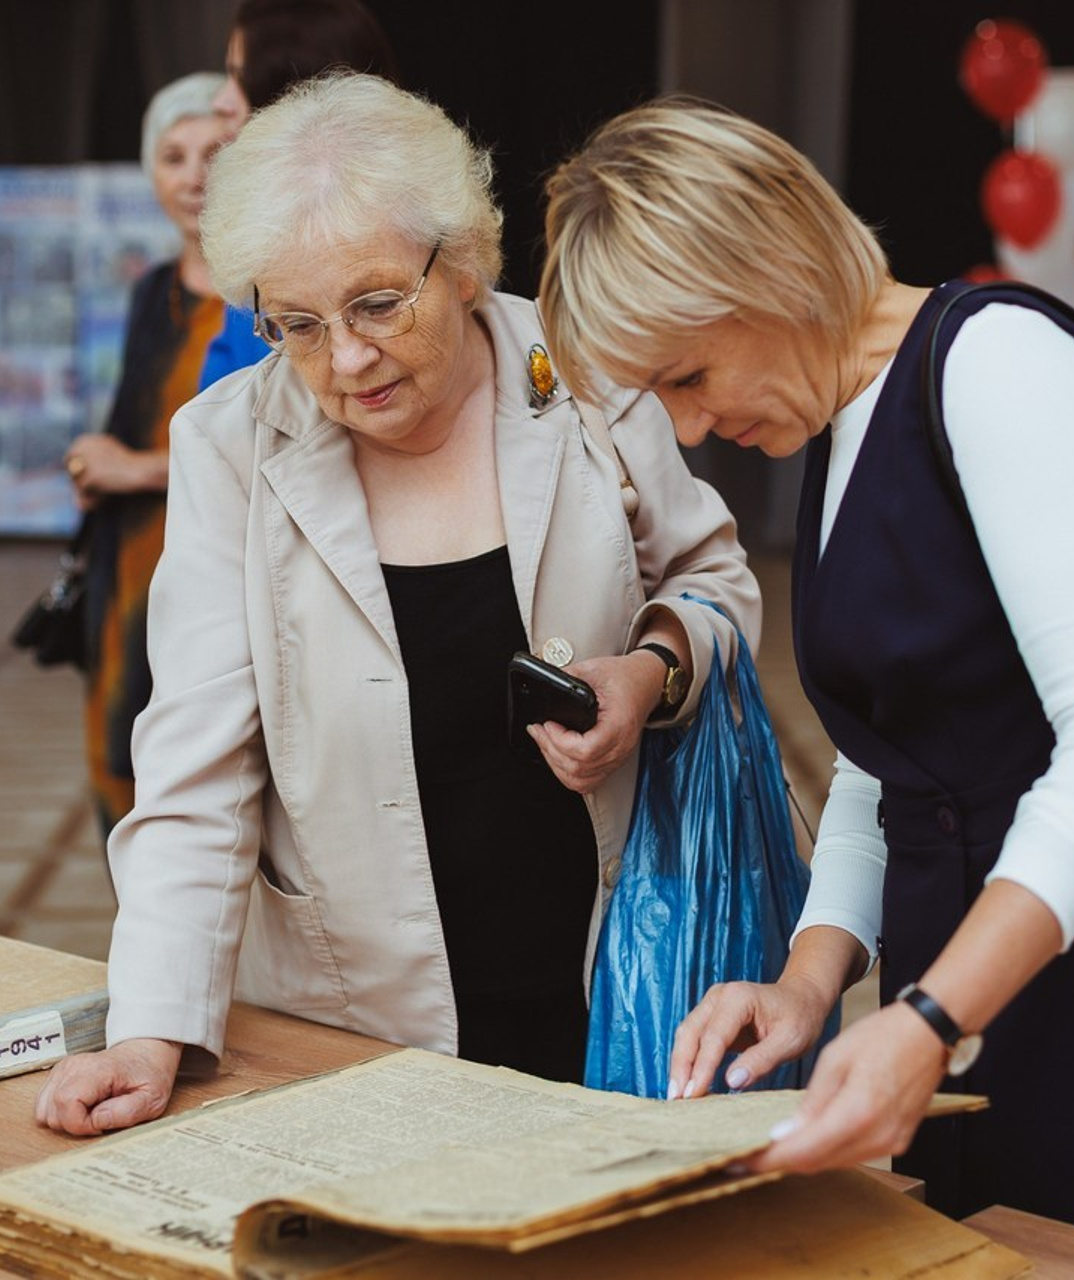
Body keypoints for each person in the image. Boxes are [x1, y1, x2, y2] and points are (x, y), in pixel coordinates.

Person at [536, 97, 1074, 1273]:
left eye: (687, 375)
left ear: (770, 271)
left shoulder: (995, 364)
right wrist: (808, 978)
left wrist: (930, 1017)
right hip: (966, 1014)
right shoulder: (843, 417)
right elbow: (887, 758)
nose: (691, 426)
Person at [35, 74, 759, 1136]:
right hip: (354, 1004)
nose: (346, 357)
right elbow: (194, 765)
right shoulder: (228, 445)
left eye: (377, 303)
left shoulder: (586, 373)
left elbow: (714, 580)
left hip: (611, 968)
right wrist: (151, 1027)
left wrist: (652, 670)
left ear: (461, 260)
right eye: (296, 324)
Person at [63, 72, 232, 835]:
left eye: (215, 153)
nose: (193, 176)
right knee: (117, 759)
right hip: (127, 562)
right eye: (173, 157)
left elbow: (273, 449)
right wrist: (97, 464)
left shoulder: (264, 296)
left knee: (196, 774)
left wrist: (135, 468)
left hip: (211, 568)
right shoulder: (153, 289)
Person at [199, 0, 401, 389]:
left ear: (291, 86)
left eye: (238, 77)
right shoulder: (255, 230)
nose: (220, 102)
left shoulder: (408, 222)